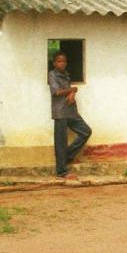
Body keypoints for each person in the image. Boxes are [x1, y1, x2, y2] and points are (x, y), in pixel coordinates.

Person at [48, 51, 92, 180]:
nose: (62, 64)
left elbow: (68, 91)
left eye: (64, 61)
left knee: (86, 131)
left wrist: (73, 91)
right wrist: (72, 90)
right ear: (54, 63)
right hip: (60, 112)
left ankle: (66, 157)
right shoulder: (52, 75)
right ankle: (61, 171)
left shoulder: (66, 75)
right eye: (59, 61)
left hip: (71, 111)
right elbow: (56, 92)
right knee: (61, 142)